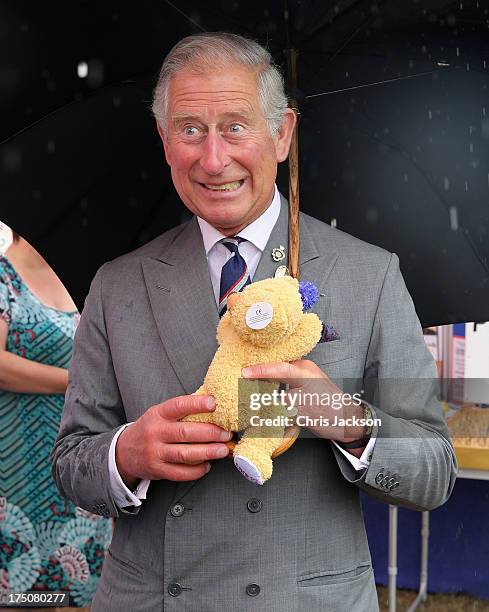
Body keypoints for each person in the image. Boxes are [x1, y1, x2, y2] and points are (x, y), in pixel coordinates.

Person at [51, 33, 457, 612]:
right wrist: (125, 457)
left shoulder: (369, 274)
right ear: (165, 142)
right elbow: (71, 463)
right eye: (190, 130)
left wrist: (344, 419)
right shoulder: (119, 284)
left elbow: (435, 472)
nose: (213, 159)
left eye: (236, 127)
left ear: (283, 133)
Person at [0, 226, 113, 610]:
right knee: (24, 596)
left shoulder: (87, 280)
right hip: (19, 467)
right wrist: (74, 383)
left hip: (79, 457)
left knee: (78, 591)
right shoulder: (3, 276)